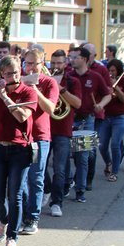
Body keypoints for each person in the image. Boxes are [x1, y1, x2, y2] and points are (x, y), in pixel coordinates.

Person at [0, 55, 38, 246]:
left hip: (20, 149)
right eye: (8, 73)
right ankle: (4, 221)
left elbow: (22, 116)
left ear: (20, 72)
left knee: (14, 195)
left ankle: (12, 238)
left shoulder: (29, 92)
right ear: (2, 75)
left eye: (15, 72)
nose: (12, 76)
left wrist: (5, 96)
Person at [20, 48, 59, 234]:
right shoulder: (19, 80)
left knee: (36, 178)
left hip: (40, 137)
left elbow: (50, 108)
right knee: (19, 179)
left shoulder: (49, 82)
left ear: (42, 64)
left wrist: (35, 90)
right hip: (20, 136)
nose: (30, 67)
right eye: (27, 63)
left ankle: (33, 218)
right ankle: (25, 212)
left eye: (34, 63)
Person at [67, 46, 110, 202]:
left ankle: (81, 189)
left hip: (87, 119)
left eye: (74, 57)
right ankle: (69, 182)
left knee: (84, 155)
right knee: (66, 154)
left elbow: (107, 95)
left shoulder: (96, 77)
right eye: (70, 57)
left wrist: (101, 105)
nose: (71, 60)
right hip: (70, 118)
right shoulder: (68, 76)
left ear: (84, 59)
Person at [45, 50, 82, 217]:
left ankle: (56, 202)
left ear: (65, 63)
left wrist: (60, 89)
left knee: (60, 169)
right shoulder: (45, 80)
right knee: (40, 166)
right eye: (53, 63)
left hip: (63, 130)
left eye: (59, 63)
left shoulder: (72, 81)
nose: (55, 66)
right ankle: (46, 190)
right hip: (45, 128)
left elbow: (78, 103)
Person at [83, 43, 114, 190]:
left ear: (94, 56)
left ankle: (89, 178)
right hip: (77, 114)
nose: (84, 58)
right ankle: (80, 178)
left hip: (95, 115)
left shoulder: (101, 70)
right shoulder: (73, 70)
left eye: (88, 55)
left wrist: (100, 104)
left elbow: (108, 91)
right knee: (77, 149)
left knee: (90, 148)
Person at [98, 59, 124, 183]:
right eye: (109, 71)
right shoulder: (105, 81)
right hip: (106, 116)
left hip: (120, 117)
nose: (111, 73)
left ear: (119, 71)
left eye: (113, 71)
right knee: (102, 146)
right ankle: (108, 162)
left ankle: (114, 172)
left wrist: (116, 87)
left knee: (115, 144)